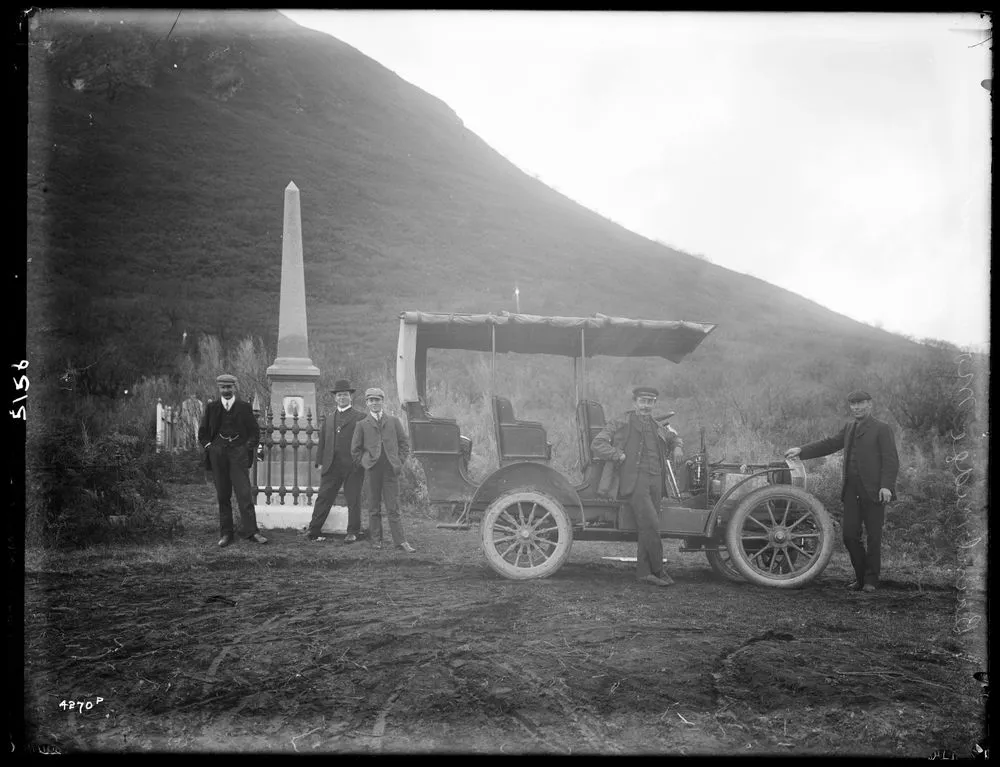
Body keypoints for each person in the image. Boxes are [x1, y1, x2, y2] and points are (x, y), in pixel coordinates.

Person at [784, 389, 898, 593]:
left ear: (870, 404)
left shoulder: (882, 428)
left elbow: (891, 460)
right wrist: (802, 450)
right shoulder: (849, 427)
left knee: (874, 538)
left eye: (861, 403)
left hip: (875, 492)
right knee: (849, 536)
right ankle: (861, 577)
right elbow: (829, 444)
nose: (857, 407)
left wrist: (886, 486)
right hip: (851, 492)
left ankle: (871, 581)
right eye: (853, 404)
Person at [591, 386, 683, 587]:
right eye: (642, 401)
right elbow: (597, 443)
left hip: (656, 481)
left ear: (654, 404)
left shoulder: (658, 425)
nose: (646, 406)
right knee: (652, 524)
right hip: (634, 482)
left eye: (650, 402)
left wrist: (677, 447)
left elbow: (675, 437)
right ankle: (659, 570)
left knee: (645, 528)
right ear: (635, 403)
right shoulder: (621, 422)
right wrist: (618, 454)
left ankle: (644, 573)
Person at [198, 373, 267, 547]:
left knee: (244, 494)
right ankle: (226, 533)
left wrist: (246, 447)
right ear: (219, 388)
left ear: (235, 387)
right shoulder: (212, 408)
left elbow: (254, 432)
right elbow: (203, 433)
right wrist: (210, 447)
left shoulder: (244, 407)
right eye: (223, 387)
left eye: (229, 387)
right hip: (218, 455)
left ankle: (252, 531)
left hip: (239, 455)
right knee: (223, 495)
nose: (226, 390)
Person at [351, 387, 416, 553]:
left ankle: (400, 542)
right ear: (367, 403)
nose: (374, 403)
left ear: (382, 401)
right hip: (372, 470)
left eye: (377, 400)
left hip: (390, 470)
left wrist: (399, 462)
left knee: (393, 507)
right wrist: (365, 463)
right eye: (371, 400)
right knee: (373, 507)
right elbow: (355, 450)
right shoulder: (362, 425)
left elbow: (404, 444)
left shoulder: (393, 421)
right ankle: (376, 541)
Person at [307, 379, 367, 543]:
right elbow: (323, 442)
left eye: (345, 395)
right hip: (331, 465)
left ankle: (353, 531)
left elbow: (365, 443)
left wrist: (361, 462)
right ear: (335, 398)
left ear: (351, 397)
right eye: (339, 395)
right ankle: (313, 530)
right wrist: (319, 462)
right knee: (323, 497)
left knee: (353, 499)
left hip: (353, 466)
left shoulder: (360, 417)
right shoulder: (329, 418)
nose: (342, 398)